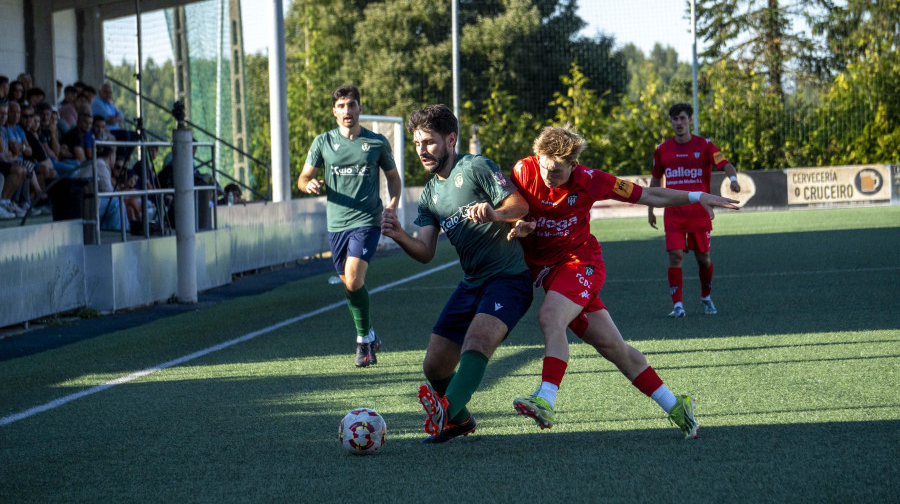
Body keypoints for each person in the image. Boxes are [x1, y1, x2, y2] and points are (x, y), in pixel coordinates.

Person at [507, 125, 739, 439]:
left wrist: (697, 196)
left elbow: (650, 194)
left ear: (574, 165)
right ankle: (676, 405)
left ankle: (545, 398)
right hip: (552, 275)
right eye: (546, 166)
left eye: (558, 171)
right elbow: (513, 207)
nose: (550, 175)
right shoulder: (523, 170)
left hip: (581, 264)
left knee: (550, 318)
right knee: (614, 348)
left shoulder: (591, 180)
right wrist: (519, 224)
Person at [380, 104, 533, 444]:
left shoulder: (476, 166)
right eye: (418, 143)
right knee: (434, 367)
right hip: (471, 284)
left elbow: (520, 206)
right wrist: (399, 235)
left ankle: (445, 414)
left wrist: (495, 213)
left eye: (430, 142)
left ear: (451, 139)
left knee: (478, 341)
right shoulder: (430, 195)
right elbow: (425, 253)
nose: (422, 150)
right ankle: (461, 421)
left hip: (509, 279)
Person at [297, 84, 402, 368]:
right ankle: (370, 335)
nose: (347, 111)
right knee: (349, 285)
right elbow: (303, 177)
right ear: (334, 111)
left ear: (359, 108)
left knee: (355, 279)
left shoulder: (377, 142)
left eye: (352, 105)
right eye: (341, 106)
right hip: (336, 224)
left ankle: (362, 342)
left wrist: (392, 204)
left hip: (367, 221)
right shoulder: (323, 142)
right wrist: (309, 185)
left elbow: (393, 177)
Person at [648, 103, 741, 317]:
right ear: (671, 122)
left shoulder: (705, 146)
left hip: (699, 213)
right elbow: (655, 180)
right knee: (675, 257)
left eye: (682, 118)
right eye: (675, 119)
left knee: (703, 259)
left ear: (689, 120)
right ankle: (678, 305)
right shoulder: (662, 150)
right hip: (673, 213)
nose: (679, 123)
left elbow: (725, 164)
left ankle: (706, 297)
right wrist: (650, 208)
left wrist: (733, 179)